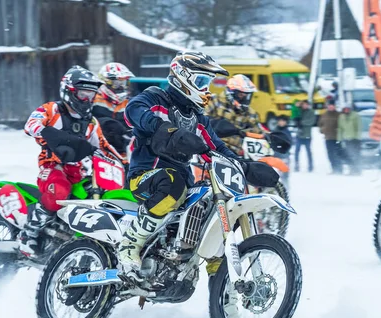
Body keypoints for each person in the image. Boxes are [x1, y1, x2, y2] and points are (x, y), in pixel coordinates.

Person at [119, 51, 280, 281]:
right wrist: (165, 130)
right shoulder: (155, 98)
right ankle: (129, 245)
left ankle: (219, 276)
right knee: (173, 182)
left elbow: (217, 149)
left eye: (209, 83)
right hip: (145, 177)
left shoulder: (198, 118)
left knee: (210, 201)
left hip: (182, 182)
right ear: (183, 78)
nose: (206, 89)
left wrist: (247, 167)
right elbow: (132, 111)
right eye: (202, 82)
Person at [18, 66, 125, 256]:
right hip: (52, 165)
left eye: (91, 95)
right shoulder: (52, 109)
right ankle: (29, 233)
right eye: (83, 94)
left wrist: (123, 163)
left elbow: (103, 146)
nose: (88, 99)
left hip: (79, 171)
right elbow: (30, 125)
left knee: (97, 195)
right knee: (59, 189)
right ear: (69, 91)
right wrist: (51, 133)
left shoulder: (91, 122)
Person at [204, 74, 267, 155]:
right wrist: (217, 125)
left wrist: (270, 136)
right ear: (231, 92)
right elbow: (202, 120)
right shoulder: (214, 102)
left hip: (238, 151)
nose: (245, 99)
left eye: (247, 96)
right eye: (241, 95)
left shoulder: (250, 113)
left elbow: (258, 129)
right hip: (213, 148)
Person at [93, 62, 135, 157]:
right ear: (105, 82)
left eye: (123, 83)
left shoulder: (130, 104)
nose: (120, 87)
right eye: (117, 83)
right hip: (98, 150)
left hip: (124, 152)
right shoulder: (93, 100)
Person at [338, 104, 363, 175]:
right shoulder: (341, 117)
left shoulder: (355, 115)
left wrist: (358, 137)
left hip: (355, 139)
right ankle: (352, 169)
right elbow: (340, 128)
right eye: (345, 109)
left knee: (356, 155)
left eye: (347, 109)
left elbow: (358, 127)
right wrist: (340, 138)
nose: (346, 110)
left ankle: (357, 170)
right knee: (349, 155)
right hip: (347, 138)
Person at [318, 101, 341, 174]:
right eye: (329, 105)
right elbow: (320, 124)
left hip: (337, 137)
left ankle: (339, 169)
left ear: (334, 106)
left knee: (337, 154)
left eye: (332, 105)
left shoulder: (339, 115)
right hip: (328, 138)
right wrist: (322, 130)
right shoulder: (324, 114)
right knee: (330, 154)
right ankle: (334, 169)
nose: (331, 107)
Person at [295, 100, 315, 172]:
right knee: (297, 151)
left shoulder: (311, 112)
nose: (304, 106)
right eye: (303, 104)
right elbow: (294, 113)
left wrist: (301, 122)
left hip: (307, 135)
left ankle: (310, 166)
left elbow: (311, 121)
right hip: (299, 135)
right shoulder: (299, 111)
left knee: (308, 151)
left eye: (306, 104)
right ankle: (296, 165)